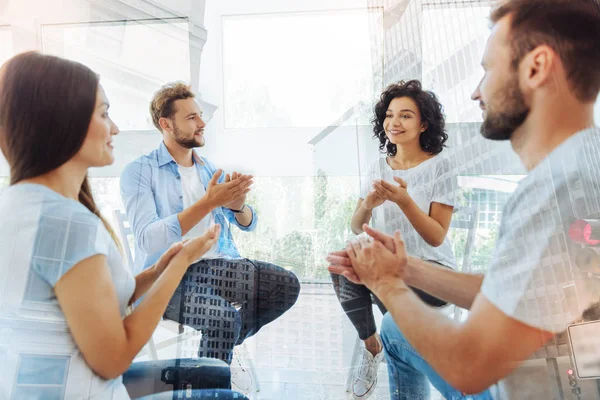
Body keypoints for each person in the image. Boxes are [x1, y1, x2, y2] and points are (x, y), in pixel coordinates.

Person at [328, 0, 600, 399]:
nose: (475, 91)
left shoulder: (555, 191)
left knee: (394, 328)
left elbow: (469, 365)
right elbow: (509, 290)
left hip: (549, 386)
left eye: (489, 69)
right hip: (572, 372)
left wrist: (387, 283)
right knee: (392, 329)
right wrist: (406, 268)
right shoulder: (577, 168)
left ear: (537, 67)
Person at [0, 52, 245, 399]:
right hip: (86, 388)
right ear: (61, 122)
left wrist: (157, 270)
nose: (115, 127)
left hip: (41, 381)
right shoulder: (68, 224)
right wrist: (178, 265)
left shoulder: (21, 205)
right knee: (229, 395)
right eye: (104, 113)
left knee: (216, 372)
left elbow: (88, 300)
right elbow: (113, 359)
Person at [120, 82, 300, 392]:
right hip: (170, 277)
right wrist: (208, 203)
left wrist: (237, 205)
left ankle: (219, 357)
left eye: (200, 115)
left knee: (285, 285)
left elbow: (248, 222)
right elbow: (148, 239)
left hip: (219, 267)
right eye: (191, 117)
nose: (202, 124)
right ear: (166, 124)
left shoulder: (208, 170)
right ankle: (211, 383)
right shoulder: (140, 172)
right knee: (222, 321)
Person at [331, 80, 462, 399]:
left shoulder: (441, 165)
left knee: (381, 284)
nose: (394, 122)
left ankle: (399, 345)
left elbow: (436, 236)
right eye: (390, 115)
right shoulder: (379, 165)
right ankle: (372, 345)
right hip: (389, 266)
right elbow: (356, 225)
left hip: (431, 270)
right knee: (341, 263)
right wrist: (367, 205)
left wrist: (404, 201)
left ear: (423, 124)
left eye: (405, 115)